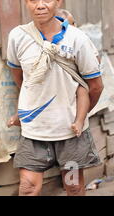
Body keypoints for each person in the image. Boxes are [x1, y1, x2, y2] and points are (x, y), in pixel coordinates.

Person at [5, 0, 103, 196]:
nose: (40, 5)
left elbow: (95, 86)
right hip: (34, 133)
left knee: (74, 187)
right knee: (28, 187)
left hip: (70, 135)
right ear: (26, 2)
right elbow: (19, 75)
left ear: (59, 1)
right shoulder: (18, 37)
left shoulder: (78, 40)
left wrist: (79, 115)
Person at [9, 8, 98, 138]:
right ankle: (19, 116)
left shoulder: (79, 38)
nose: (69, 27)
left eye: (72, 24)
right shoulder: (27, 38)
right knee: (29, 89)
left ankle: (79, 121)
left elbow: (95, 62)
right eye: (66, 24)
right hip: (46, 83)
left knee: (82, 92)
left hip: (75, 80)